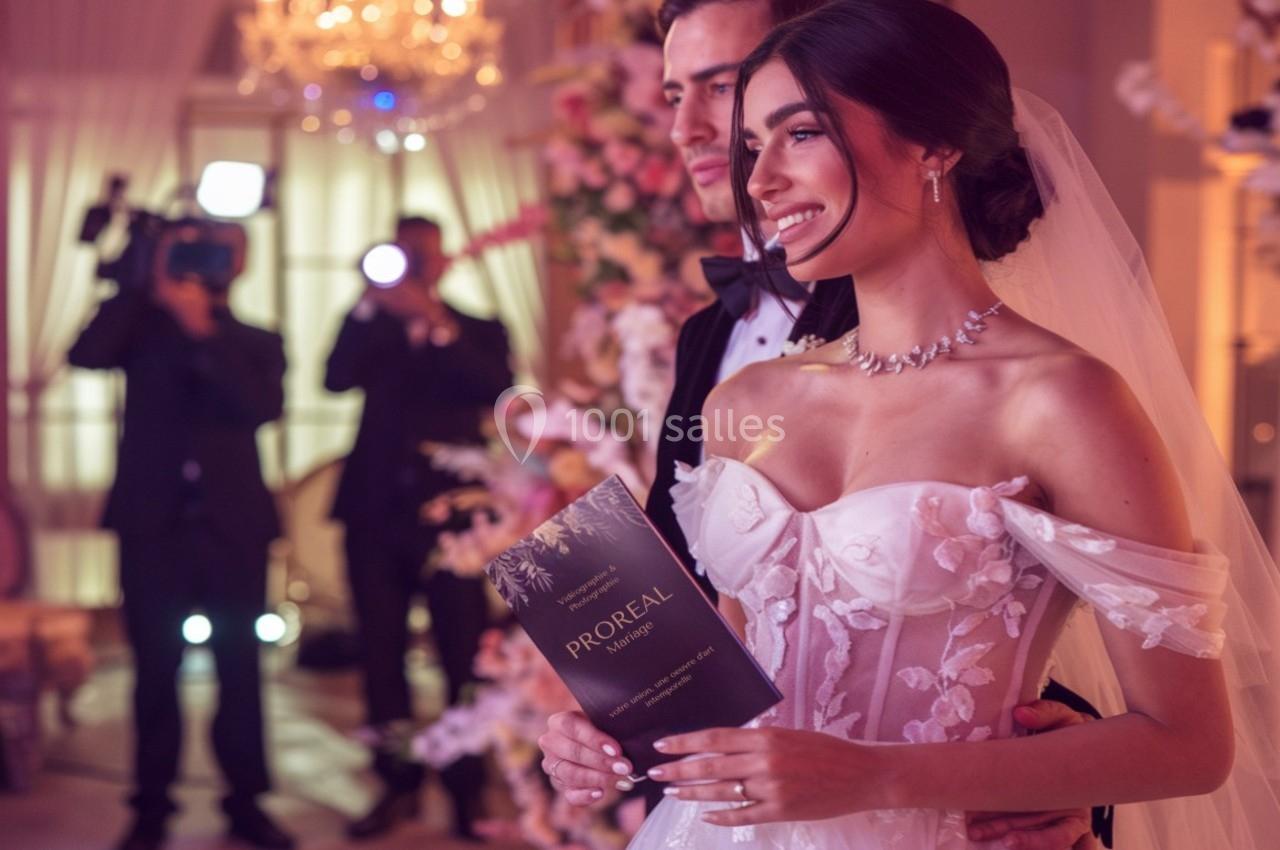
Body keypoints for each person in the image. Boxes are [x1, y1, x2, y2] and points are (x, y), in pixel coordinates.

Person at [543, 1, 1280, 848]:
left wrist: (877, 775)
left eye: (801, 134)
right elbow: (729, 685)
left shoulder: (1062, 399)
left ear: (935, 142)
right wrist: (607, 729)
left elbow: (1189, 746)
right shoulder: (742, 406)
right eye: (753, 147)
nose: (758, 180)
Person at [68, 221, 293, 850]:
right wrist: (146, 285)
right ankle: (150, 808)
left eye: (221, 251)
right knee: (154, 672)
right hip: (152, 526)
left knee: (241, 671)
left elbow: (261, 407)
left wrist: (200, 328)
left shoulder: (255, 340)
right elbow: (83, 354)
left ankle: (247, 802)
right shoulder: (139, 331)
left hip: (234, 528)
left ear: (240, 263)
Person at [324, 215, 513, 841]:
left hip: (453, 520)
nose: (411, 264)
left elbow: (497, 388)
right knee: (381, 657)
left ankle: (466, 789)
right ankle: (396, 784)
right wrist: (366, 304)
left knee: (464, 653)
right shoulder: (369, 329)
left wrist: (434, 321)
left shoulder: (477, 329)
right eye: (402, 254)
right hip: (373, 513)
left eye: (421, 256)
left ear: (443, 263)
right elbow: (333, 378)